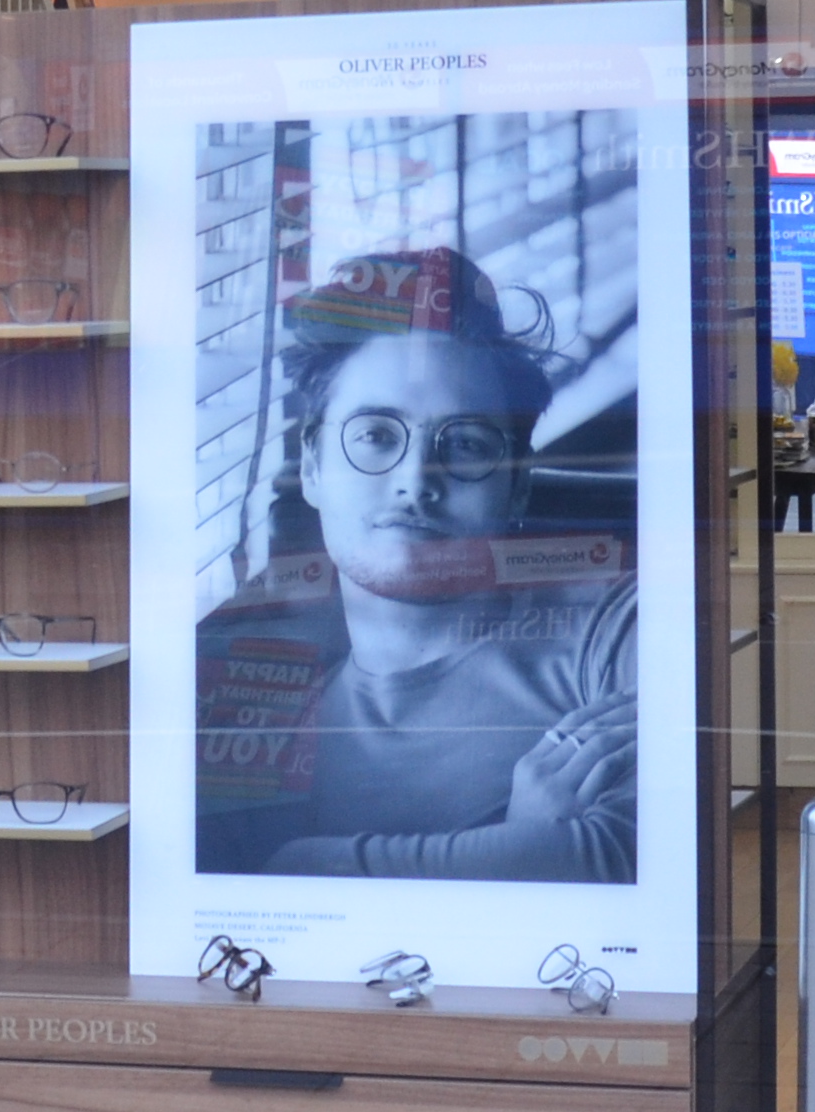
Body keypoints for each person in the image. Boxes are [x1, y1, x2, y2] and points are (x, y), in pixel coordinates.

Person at [195, 246, 637, 883]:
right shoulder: (251, 708)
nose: (415, 481)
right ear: (314, 467)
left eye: (463, 443)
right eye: (376, 434)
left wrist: (308, 866)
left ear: (515, 489)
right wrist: (527, 843)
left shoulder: (612, 628)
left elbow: (630, 852)